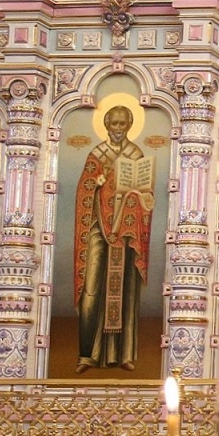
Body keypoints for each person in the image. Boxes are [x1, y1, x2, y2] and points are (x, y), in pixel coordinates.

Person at [75, 105, 153, 371]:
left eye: (123, 124)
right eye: (114, 123)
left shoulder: (136, 154)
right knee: (92, 288)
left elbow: (146, 196)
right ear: (106, 125)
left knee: (126, 290)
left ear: (129, 125)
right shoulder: (97, 154)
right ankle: (87, 354)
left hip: (126, 232)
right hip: (98, 227)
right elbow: (84, 191)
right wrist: (96, 185)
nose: (118, 129)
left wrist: (139, 194)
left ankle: (124, 355)